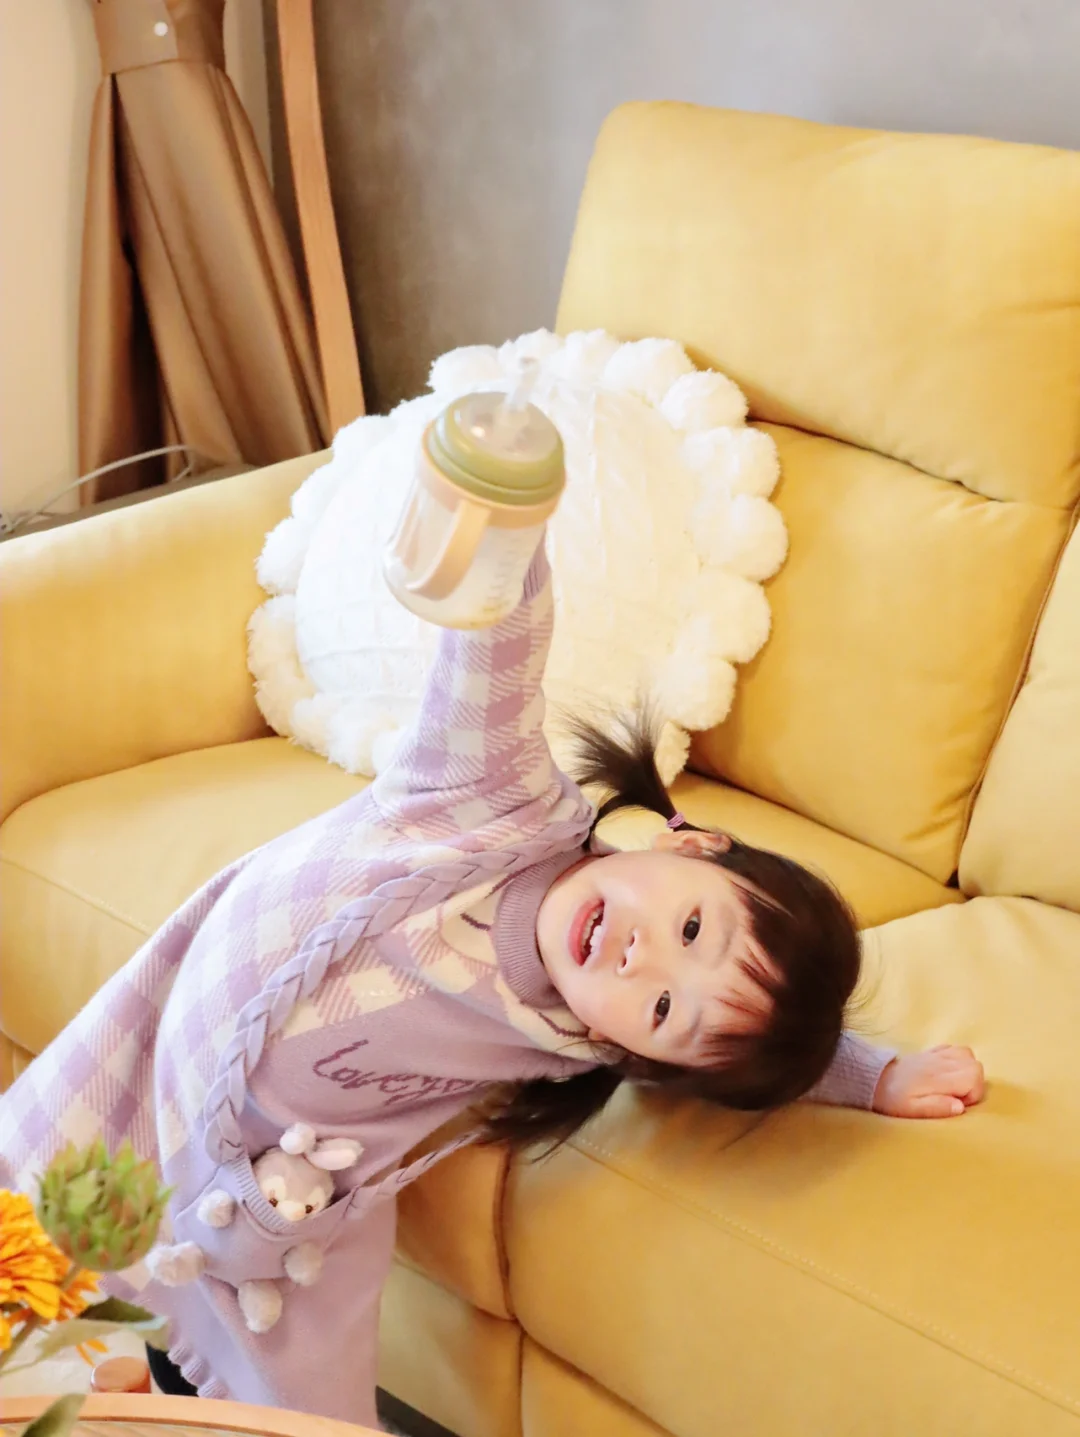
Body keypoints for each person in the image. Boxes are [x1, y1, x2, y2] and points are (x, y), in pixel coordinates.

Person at [0, 546, 984, 1424]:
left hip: (288, 1195)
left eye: (661, 1008)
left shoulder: (576, 1031)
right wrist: (504, 528)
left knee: (297, 1380)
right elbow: (495, 663)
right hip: (159, 1052)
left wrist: (874, 1076)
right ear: (696, 844)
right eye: (690, 925)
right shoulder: (495, 807)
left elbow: (752, 1050)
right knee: (36, 1201)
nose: (642, 959)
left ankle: (180, 1399)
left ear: (630, 1047)